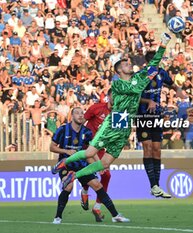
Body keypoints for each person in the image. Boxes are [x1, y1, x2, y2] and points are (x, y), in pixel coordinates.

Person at [51, 33, 171, 190]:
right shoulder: (118, 84)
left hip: (126, 127)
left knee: (105, 163)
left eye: (129, 63)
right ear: (119, 71)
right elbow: (135, 89)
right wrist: (147, 78)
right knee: (89, 153)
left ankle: (75, 175)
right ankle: (64, 163)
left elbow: (154, 64)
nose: (130, 65)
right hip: (114, 123)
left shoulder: (137, 78)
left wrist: (163, 45)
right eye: (126, 64)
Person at [50, 107, 129, 224]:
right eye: (77, 113)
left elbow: (92, 151)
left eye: (82, 113)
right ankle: (57, 217)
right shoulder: (62, 129)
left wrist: (100, 165)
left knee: (97, 184)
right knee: (68, 187)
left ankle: (115, 215)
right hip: (66, 165)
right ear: (72, 116)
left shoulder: (87, 132)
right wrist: (66, 152)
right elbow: (52, 147)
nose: (81, 115)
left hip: (82, 166)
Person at [137, 51, 184, 198]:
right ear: (152, 61)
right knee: (148, 148)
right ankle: (153, 185)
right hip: (143, 115)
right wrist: (148, 101)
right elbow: (133, 96)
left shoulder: (162, 73)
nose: (161, 62)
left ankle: (156, 186)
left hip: (157, 115)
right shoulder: (140, 75)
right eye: (159, 59)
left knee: (157, 149)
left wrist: (180, 92)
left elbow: (173, 85)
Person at [80, 90, 112, 220]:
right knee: (92, 172)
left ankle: (97, 207)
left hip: (102, 148)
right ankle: (85, 191)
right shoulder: (96, 108)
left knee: (107, 175)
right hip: (89, 146)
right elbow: (81, 122)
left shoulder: (118, 115)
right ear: (109, 97)